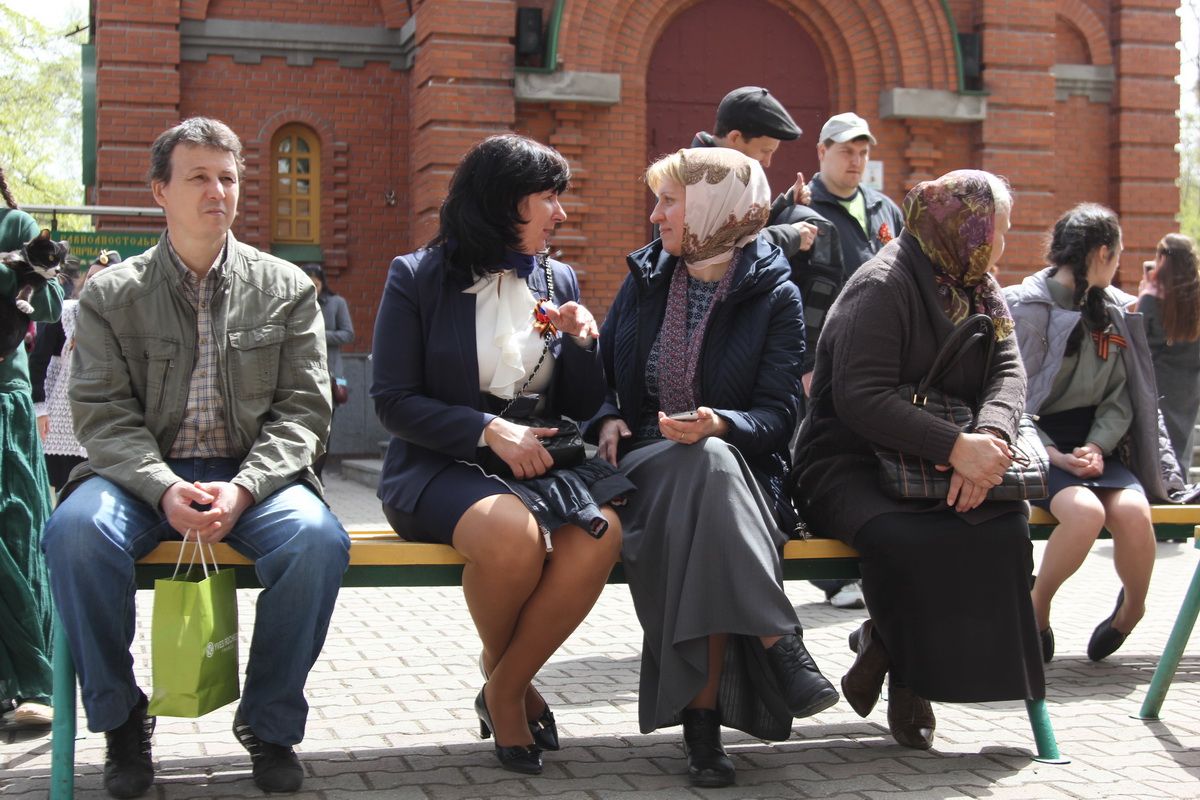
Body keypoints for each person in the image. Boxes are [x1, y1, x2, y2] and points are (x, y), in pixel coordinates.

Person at [41, 117, 350, 798]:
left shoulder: (286, 288)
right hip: (136, 480)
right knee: (75, 534)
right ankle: (122, 720)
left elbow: (304, 412)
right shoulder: (111, 295)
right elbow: (102, 415)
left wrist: (246, 487)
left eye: (229, 178)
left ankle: (269, 725)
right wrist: (160, 486)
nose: (218, 191)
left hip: (254, 480)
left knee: (317, 541)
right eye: (199, 177)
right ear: (161, 191)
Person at [371, 134, 623, 776]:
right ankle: (511, 696)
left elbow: (582, 402)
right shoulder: (416, 277)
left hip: (537, 464)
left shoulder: (557, 278)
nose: (560, 213)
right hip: (437, 466)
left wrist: (583, 343)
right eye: (548, 198)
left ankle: (503, 682)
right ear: (503, 200)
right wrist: (487, 429)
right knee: (514, 537)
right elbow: (392, 402)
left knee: (601, 531)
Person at [590, 147, 839, 788]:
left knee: (710, 475)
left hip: (741, 473)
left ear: (713, 207)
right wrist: (607, 417)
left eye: (669, 201)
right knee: (705, 471)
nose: (656, 215)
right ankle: (780, 643)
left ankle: (701, 727)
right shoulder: (646, 277)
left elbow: (780, 414)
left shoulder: (774, 294)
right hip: (645, 467)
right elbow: (598, 378)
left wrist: (720, 423)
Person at [793, 170, 1044, 750]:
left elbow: (1009, 371)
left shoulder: (981, 286)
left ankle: (884, 644)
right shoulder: (882, 284)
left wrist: (986, 438)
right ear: (967, 229)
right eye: (1000, 229)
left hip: (946, 456)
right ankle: (909, 679)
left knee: (1003, 526)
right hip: (848, 461)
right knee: (909, 537)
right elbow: (860, 396)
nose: (1004, 242)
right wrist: (955, 448)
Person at [1005, 204, 1166, 662]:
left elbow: (1121, 396)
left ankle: (1131, 611)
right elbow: (1009, 397)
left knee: (1134, 514)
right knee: (1084, 514)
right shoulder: (1021, 306)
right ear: (1101, 253)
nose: (1119, 265)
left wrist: (1097, 445)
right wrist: (1052, 454)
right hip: (1034, 444)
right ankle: (1037, 608)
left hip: (1097, 443)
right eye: (1118, 254)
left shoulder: (1114, 310)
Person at [0, 164, 63, 729]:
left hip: (4, 404)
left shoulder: (14, 225)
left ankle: (32, 680)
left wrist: (17, 272)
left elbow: (52, 301)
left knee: (15, 530)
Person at [688, 86, 820, 259]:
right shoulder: (699, 180)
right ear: (735, 138)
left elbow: (742, 233)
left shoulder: (719, 174)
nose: (767, 162)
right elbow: (724, 253)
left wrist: (785, 205)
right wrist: (791, 236)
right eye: (765, 151)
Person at [31, 250, 121, 492]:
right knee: (55, 488)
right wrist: (40, 410)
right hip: (59, 420)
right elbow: (37, 362)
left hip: (101, 423)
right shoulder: (64, 313)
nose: (93, 283)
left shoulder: (125, 322)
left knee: (91, 490)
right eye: (90, 277)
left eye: (102, 278)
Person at [1136, 234, 1200, 472]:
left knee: (1158, 447)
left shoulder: (1152, 298)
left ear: (1163, 259)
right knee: (1181, 447)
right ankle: (1180, 485)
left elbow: (1138, 342)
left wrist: (1142, 295)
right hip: (1189, 386)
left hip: (1157, 383)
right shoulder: (1196, 300)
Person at [300, 262, 354, 476]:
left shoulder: (336, 303)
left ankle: (318, 473)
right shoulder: (296, 302)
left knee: (324, 427)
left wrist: (318, 333)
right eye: (308, 283)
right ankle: (303, 472)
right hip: (301, 374)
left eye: (316, 284)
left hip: (330, 374)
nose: (313, 288)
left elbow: (348, 334)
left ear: (322, 283)